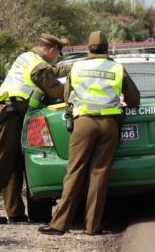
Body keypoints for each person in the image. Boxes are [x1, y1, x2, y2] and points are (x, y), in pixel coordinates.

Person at [38, 31, 140, 236]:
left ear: (88, 48)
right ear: (107, 48)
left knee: (75, 172)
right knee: (99, 175)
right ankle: (93, 226)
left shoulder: (78, 67)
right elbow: (134, 100)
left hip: (83, 123)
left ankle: (59, 224)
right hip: (109, 124)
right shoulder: (117, 68)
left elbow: (67, 96)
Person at [0, 33, 70, 224]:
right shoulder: (37, 66)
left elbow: (53, 70)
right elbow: (54, 89)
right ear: (51, 50)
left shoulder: (28, 57)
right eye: (58, 53)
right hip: (8, 116)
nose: (57, 57)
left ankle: (15, 212)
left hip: (4, 113)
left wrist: (74, 68)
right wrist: (73, 89)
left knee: (14, 164)